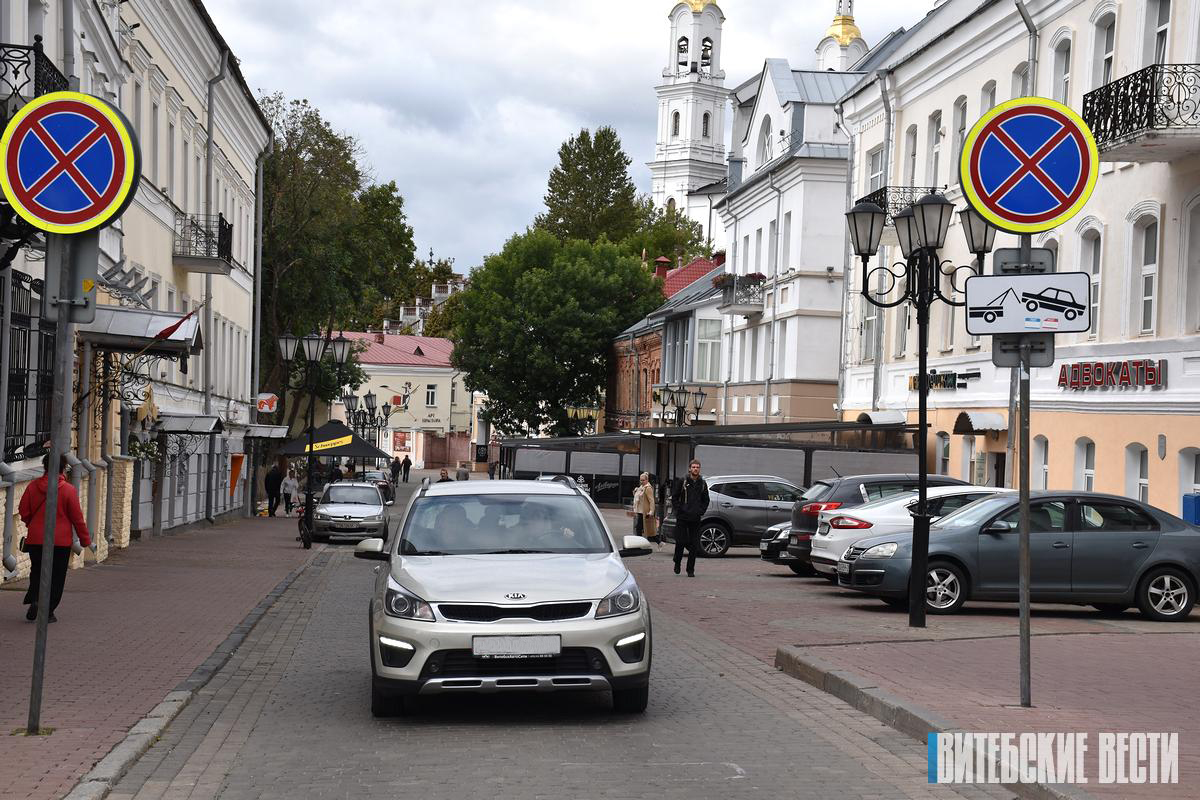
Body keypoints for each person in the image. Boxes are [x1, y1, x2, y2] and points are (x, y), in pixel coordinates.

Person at [19, 454, 90, 622]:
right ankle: (48, 610)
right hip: (60, 542)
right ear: (63, 468)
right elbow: (77, 518)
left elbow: (23, 510)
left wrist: (33, 523)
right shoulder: (68, 490)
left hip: (36, 539)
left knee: (37, 571)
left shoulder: (32, 486)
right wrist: (85, 539)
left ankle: (35, 599)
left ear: (44, 466)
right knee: (56, 576)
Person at [671, 459, 709, 577]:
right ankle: (677, 562)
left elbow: (706, 500)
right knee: (680, 542)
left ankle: (690, 569)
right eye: (693, 467)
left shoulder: (702, 483)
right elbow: (675, 498)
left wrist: (701, 511)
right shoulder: (683, 481)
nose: (695, 469)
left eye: (697, 467)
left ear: (699, 469)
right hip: (682, 517)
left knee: (694, 544)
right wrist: (680, 509)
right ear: (689, 469)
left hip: (695, 518)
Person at [631, 472, 657, 543]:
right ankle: (659, 542)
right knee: (646, 528)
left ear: (647, 480)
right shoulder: (641, 487)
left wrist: (651, 511)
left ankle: (639, 543)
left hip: (645, 511)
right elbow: (637, 498)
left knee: (640, 528)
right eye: (640, 480)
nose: (641, 481)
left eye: (643, 480)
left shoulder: (648, 488)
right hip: (639, 511)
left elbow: (651, 501)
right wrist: (635, 491)